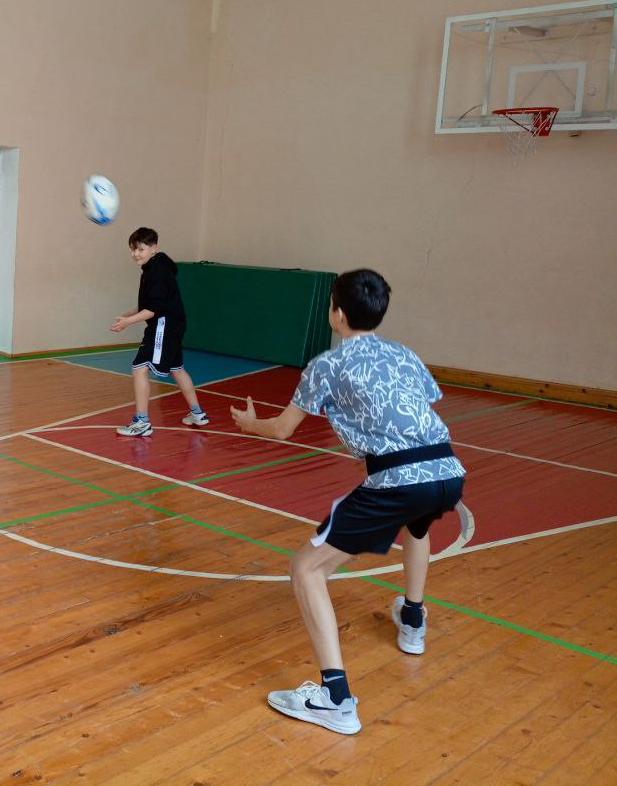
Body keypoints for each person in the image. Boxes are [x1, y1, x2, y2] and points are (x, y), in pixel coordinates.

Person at [230, 268, 466, 735]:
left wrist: (249, 424)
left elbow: (283, 429)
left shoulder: (326, 365)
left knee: (306, 569)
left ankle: (335, 700)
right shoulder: (405, 353)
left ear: (336, 312)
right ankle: (413, 621)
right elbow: (416, 408)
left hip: (398, 479)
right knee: (418, 524)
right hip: (448, 471)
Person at [109, 227, 208, 436]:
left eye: (141, 249)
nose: (136, 254)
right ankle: (197, 413)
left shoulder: (157, 272)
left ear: (154, 248)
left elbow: (154, 309)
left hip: (164, 325)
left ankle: (142, 422)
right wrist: (127, 315)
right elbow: (148, 303)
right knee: (177, 368)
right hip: (173, 324)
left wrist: (128, 322)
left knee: (139, 368)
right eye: (133, 249)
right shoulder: (153, 268)